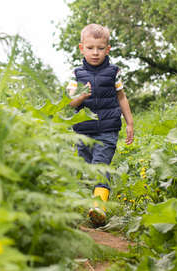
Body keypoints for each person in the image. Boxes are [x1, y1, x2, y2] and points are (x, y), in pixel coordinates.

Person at [67, 23, 134, 226]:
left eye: (100, 48)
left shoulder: (114, 72)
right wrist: (81, 95)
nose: (95, 53)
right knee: (89, 169)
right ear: (82, 48)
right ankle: (93, 204)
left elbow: (122, 98)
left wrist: (129, 123)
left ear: (108, 49)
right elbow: (70, 102)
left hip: (108, 129)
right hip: (84, 131)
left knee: (100, 166)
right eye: (90, 48)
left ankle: (99, 208)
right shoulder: (76, 74)